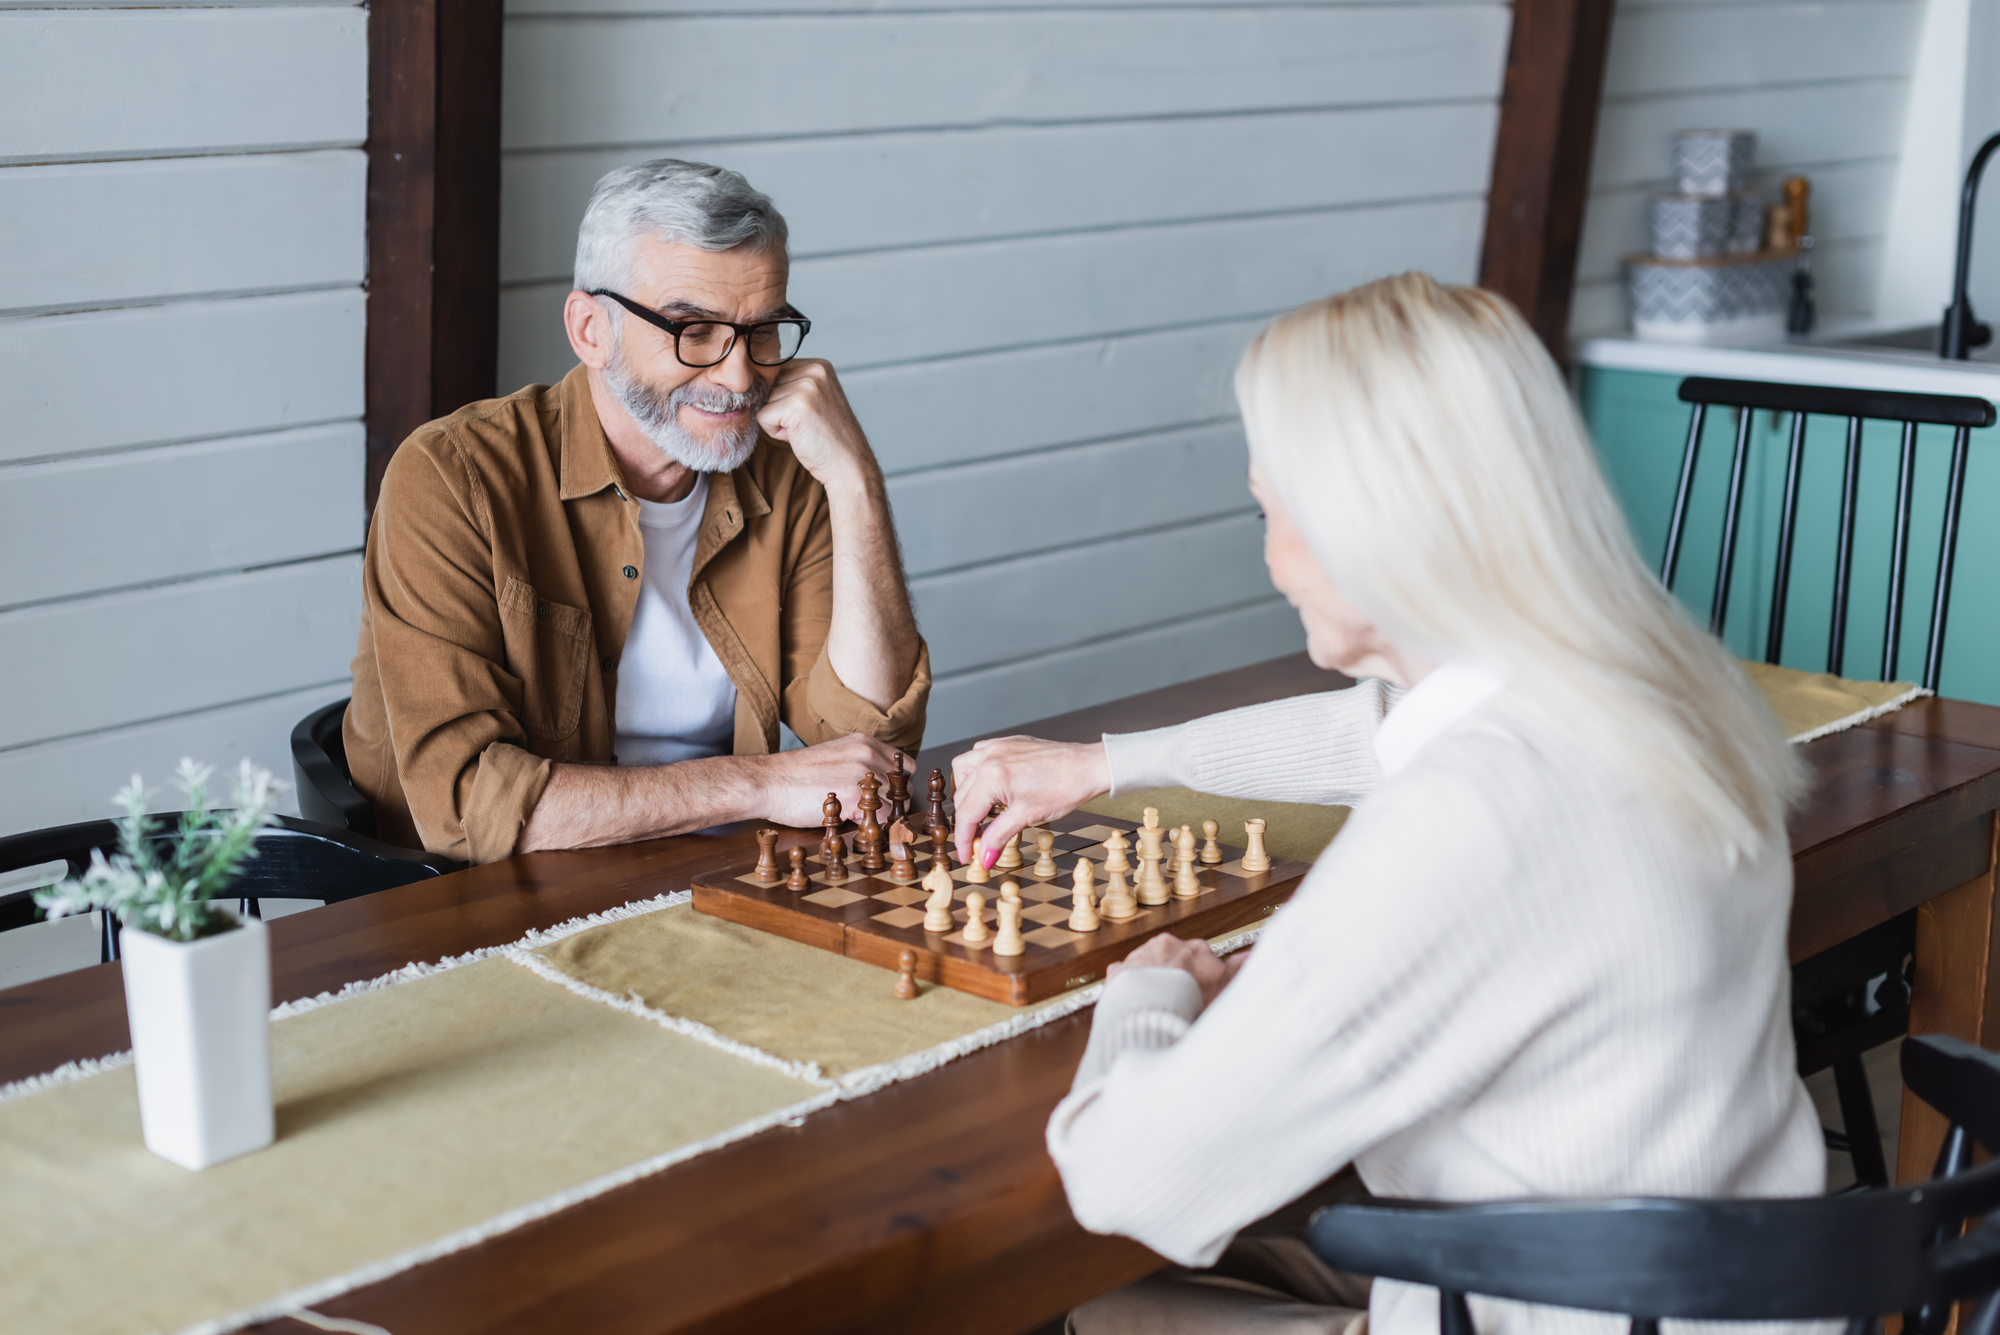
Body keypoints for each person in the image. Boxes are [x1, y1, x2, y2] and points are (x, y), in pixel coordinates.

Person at [950, 273, 1823, 1334]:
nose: (1267, 556)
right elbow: (1375, 734)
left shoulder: (1460, 819)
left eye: (1269, 512)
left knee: (1050, 1302)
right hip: (1726, 1290)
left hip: (1535, 1307)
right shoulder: (1661, 681)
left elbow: (1130, 1179)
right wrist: (1100, 766)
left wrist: (1151, 991)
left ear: (1367, 528)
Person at [346, 160, 928, 863]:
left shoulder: (784, 462)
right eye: (693, 330)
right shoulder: (451, 478)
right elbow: (470, 804)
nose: (739, 376)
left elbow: (872, 740)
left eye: (763, 329)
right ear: (591, 329)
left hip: (715, 880)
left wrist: (854, 476)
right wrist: (758, 784)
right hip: (488, 909)